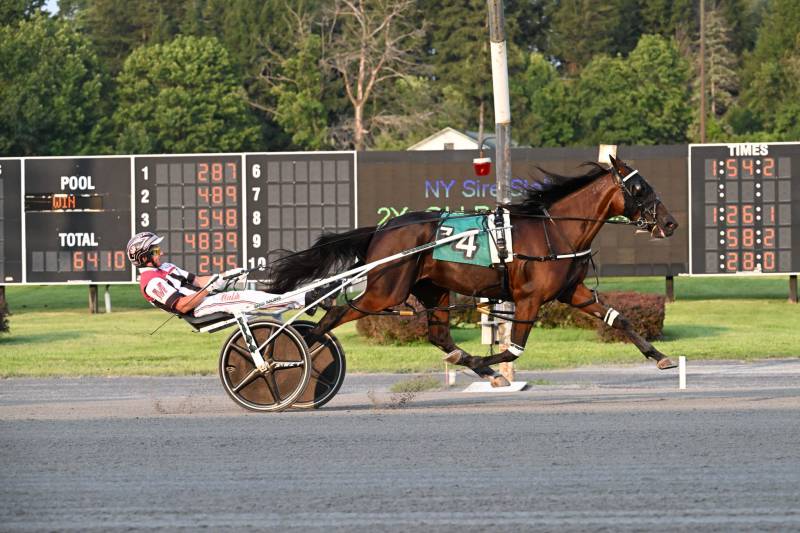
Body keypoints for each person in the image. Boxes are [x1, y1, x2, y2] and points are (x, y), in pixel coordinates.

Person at [126, 231, 308, 318]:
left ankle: (300, 300)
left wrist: (224, 276)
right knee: (250, 298)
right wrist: (209, 289)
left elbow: (197, 280)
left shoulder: (165, 266)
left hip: (209, 299)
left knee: (254, 299)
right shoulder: (150, 282)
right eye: (156, 251)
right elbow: (182, 305)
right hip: (199, 308)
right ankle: (305, 299)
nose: (161, 253)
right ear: (145, 257)